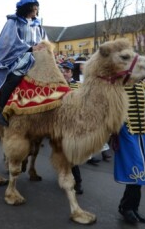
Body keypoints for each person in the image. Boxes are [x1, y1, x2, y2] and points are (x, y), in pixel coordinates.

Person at [0, 0, 46, 127]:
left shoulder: (37, 25)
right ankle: (1, 111)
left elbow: (44, 40)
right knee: (14, 78)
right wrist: (30, 48)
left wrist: (45, 48)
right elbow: (10, 42)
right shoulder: (13, 22)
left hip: (34, 59)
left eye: (37, 9)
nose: (36, 11)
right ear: (27, 8)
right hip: (16, 58)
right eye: (34, 8)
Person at [113, 80, 145, 224]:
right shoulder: (117, 86)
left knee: (142, 173)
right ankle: (127, 208)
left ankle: (132, 207)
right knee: (135, 171)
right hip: (126, 135)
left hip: (143, 136)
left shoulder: (143, 86)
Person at [59, 61, 83, 194]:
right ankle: (65, 176)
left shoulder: (78, 86)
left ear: (72, 73)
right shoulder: (59, 85)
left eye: (67, 71)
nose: (64, 73)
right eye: (63, 71)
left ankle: (78, 182)